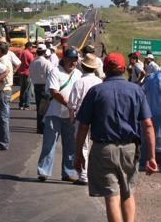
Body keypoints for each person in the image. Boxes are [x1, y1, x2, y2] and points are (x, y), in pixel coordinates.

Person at [74, 53, 158, 222]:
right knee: (128, 192)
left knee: (112, 196)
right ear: (123, 70)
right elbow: (148, 125)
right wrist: (151, 157)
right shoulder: (136, 90)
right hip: (130, 149)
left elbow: (83, 127)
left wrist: (78, 155)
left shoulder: (96, 91)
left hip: (103, 150)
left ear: (104, 69)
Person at [37, 47, 82, 182]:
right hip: (54, 113)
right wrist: (68, 104)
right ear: (64, 59)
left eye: (75, 60)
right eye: (70, 59)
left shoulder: (78, 74)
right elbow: (53, 92)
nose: (72, 62)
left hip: (71, 116)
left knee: (70, 146)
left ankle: (68, 172)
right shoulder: (55, 71)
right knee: (49, 144)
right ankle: (43, 171)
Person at [68, 53, 103, 186]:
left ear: (83, 66)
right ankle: (94, 174)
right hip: (97, 119)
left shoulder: (79, 82)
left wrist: (72, 119)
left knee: (83, 146)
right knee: (95, 147)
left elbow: (72, 104)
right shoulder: (99, 82)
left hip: (82, 118)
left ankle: (83, 175)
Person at [29, 44, 54, 134]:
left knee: (39, 107)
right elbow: (51, 75)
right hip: (45, 87)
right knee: (45, 108)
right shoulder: (47, 63)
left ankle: (39, 127)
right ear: (44, 52)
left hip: (36, 86)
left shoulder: (33, 61)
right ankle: (44, 128)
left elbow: (30, 74)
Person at [142, 70, 161, 167]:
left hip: (151, 111)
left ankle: (148, 160)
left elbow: (142, 91)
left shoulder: (151, 77)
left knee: (149, 136)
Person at [17, 42, 34, 110]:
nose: (32, 48)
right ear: (29, 46)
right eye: (31, 47)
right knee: (28, 90)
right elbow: (33, 64)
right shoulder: (29, 54)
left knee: (22, 89)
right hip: (27, 73)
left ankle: (21, 104)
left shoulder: (20, 53)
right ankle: (26, 105)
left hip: (20, 74)